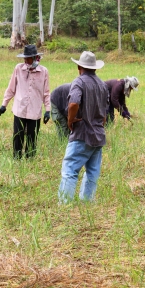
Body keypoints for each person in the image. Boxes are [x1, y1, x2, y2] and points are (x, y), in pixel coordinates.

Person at [58, 51, 109, 203]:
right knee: (92, 172)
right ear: (95, 68)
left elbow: (73, 103)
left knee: (70, 169)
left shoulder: (79, 82)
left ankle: (65, 203)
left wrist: (70, 120)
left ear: (79, 67)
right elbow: (104, 112)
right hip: (98, 134)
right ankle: (87, 202)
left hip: (82, 133)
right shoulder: (102, 85)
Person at [0, 44, 50, 159]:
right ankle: (17, 158)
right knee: (18, 136)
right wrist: (4, 105)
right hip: (20, 110)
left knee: (32, 137)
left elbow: (46, 93)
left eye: (29, 58)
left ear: (36, 58)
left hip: (35, 111)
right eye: (25, 58)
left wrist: (48, 110)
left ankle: (30, 159)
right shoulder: (18, 69)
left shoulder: (44, 71)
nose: (26, 60)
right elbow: (11, 89)